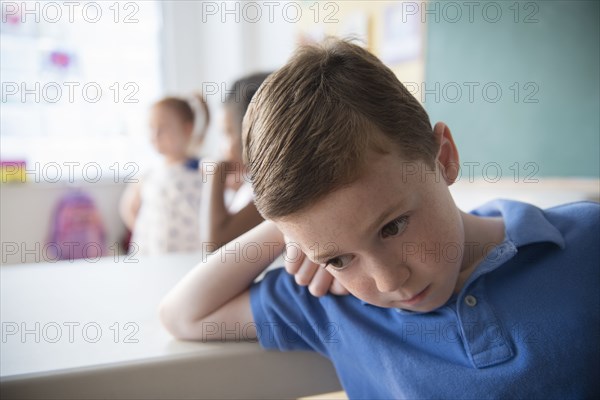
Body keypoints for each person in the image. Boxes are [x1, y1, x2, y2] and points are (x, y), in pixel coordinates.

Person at [158, 39, 599, 398]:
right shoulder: (337, 306)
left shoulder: (586, 245)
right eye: (340, 258)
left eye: (393, 226)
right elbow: (185, 314)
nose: (389, 281)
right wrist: (293, 225)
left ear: (443, 157)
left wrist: (327, 239)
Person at [119, 94, 209, 255]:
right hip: (153, 253)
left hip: (191, 254)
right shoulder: (148, 174)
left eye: (163, 128)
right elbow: (128, 208)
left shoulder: (202, 169)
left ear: (187, 129)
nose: (155, 134)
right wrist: (147, 231)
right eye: (151, 128)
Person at [200, 73, 269, 249]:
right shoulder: (251, 184)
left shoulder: (274, 189)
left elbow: (214, 243)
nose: (222, 148)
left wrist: (216, 175)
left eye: (228, 132)